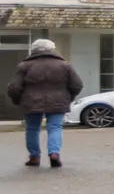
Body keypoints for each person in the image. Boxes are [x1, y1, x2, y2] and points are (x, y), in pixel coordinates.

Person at [7, 39, 83, 168]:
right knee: (54, 127)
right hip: (58, 101)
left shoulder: (24, 66)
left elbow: (14, 87)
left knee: (32, 129)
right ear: (52, 49)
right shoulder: (65, 65)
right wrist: (68, 97)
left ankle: (34, 157)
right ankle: (54, 153)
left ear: (33, 50)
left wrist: (18, 100)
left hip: (31, 101)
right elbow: (77, 85)